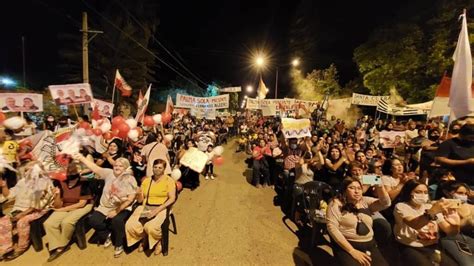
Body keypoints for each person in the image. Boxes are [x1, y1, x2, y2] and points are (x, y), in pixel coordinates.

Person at [73, 154, 137, 258]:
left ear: (125, 168)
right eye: (116, 165)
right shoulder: (109, 173)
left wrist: (116, 211)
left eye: (120, 166)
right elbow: (95, 168)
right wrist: (82, 158)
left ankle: (119, 244)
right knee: (93, 220)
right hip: (105, 206)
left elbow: (130, 199)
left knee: (117, 220)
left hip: (122, 207)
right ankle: (108, 235)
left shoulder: (130, 179)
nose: (117, 167)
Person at [326, 177, 391, 266]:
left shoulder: (365, 201)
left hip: (369, 244)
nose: (356, 191)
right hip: (348, 244)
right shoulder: (336, 204)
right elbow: (332, 228)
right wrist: (352, 251)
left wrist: (379, 186)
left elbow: (386, 203)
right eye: (351, 188)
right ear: (344, 191)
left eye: (359, 188)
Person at [393, 179, 459, 266]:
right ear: (409, 192)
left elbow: (450, 231)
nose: (423, 195)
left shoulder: (429, 206)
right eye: (418, 192)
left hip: (432, 247)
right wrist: (432, 211)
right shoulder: (401, 206)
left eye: (425, 192)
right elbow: (415, 224)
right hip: (411, 246)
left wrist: (456, 225)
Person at [0, 162, 54, 260]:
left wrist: (22, 214)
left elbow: (37, 205)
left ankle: (21, 247)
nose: (27, 173)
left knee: (22, 222)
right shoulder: (23, 181)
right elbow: (9, 195)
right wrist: (4, 186)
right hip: (21, 210)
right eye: (26, 171)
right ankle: (6, 247)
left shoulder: (45, 183)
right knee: (3, 222)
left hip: (39, 209)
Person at [43, 163, 94, 262]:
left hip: (82, 206)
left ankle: (62, 245)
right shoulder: (62, 183)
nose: (70, 173)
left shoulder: (84, 183)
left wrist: (62, 210)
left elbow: (81, 204)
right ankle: (56, 243)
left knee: (66, 222)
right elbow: (58, 205)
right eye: (69, 171)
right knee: (48, 223)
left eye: (73, 171)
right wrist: (57, 195)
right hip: (66, 205)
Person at [125, 159, 176, 255]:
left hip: (162, 207)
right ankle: (145, 237)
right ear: (152, 168)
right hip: (146, 206)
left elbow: (172, 198)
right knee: (131, 225)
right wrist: (138, 194)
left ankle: (158, 241)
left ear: (164, 169)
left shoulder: (169, 181)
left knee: (151, 227)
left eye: (160, 167)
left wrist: (158, 210)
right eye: (155, 167)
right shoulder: (147, 181)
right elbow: (140, 200)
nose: (157, 169)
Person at [436, 181, 474, 266]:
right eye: (460, 193)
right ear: (446, 192)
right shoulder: (439, 205)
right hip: (451, 239)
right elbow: (446, 228)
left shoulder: (471, 207)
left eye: (465, 194)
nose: (463, 196)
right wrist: (467, 221)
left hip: (470, 238)